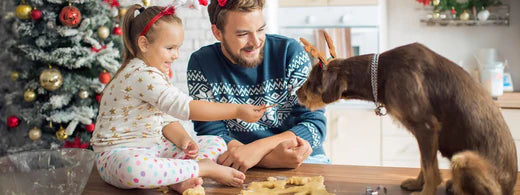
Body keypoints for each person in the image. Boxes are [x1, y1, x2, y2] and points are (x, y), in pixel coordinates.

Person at [90, 4, 267, 193]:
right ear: (144, 44)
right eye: (169, 48)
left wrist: (184, 140)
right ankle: (201, 168)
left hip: (154, 149)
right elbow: (186, 108)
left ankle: (177, 178)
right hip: (118, 155)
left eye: (178, 48)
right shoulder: (141, 75)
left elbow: (164, 118)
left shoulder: (154, 73)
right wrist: (237, 110)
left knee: (216, 143)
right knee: (133, 170)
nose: (176, 55)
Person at [187, 0, 328, 173]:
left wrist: (258, 149)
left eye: (261, 30)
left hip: (301, 159)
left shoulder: (289, 52)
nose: (255, 42)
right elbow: (210, 135)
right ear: (217, 32)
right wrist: (268, 160)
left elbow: (315, 124)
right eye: (243, 34)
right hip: (238, 166)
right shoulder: (201, 64)